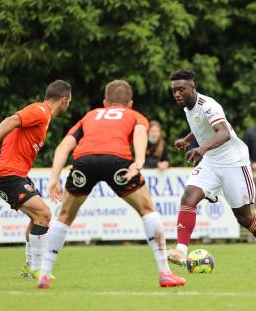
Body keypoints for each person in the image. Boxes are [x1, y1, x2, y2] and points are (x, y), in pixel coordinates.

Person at [37, 80, 185, 289]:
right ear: (130, 103)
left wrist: (54, 178)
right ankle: (164, 273)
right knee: (148, 210)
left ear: (105, 103)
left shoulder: (90, 115)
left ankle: (44, 274)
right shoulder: (134, 115)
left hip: (84, 162)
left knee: (64, 217)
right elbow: (140, 133)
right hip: (117, 160)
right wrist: (139, 162)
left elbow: (64, 146)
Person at [167, 70, 256, 271]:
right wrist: (187, 140)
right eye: (174, 91)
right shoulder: (188, 108)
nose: (177, 94)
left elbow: (223, 132)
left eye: (181, 89)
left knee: (244, 218)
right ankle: (181, 250)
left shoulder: (208, 105)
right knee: (188, 197)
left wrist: (202, 148)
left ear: (193, 88)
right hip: (211, 162)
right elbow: (201, 127)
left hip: (234, 163)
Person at [0, 80, 72, 279]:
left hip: (16, 174)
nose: (68, 105)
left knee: (37, 218)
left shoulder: (44, 118)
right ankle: (36, 268)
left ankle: (30, 267)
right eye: (69, 101)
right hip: (7, 174)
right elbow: (11, 120)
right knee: (44, 214)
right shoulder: (40, 111)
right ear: (63, 100)